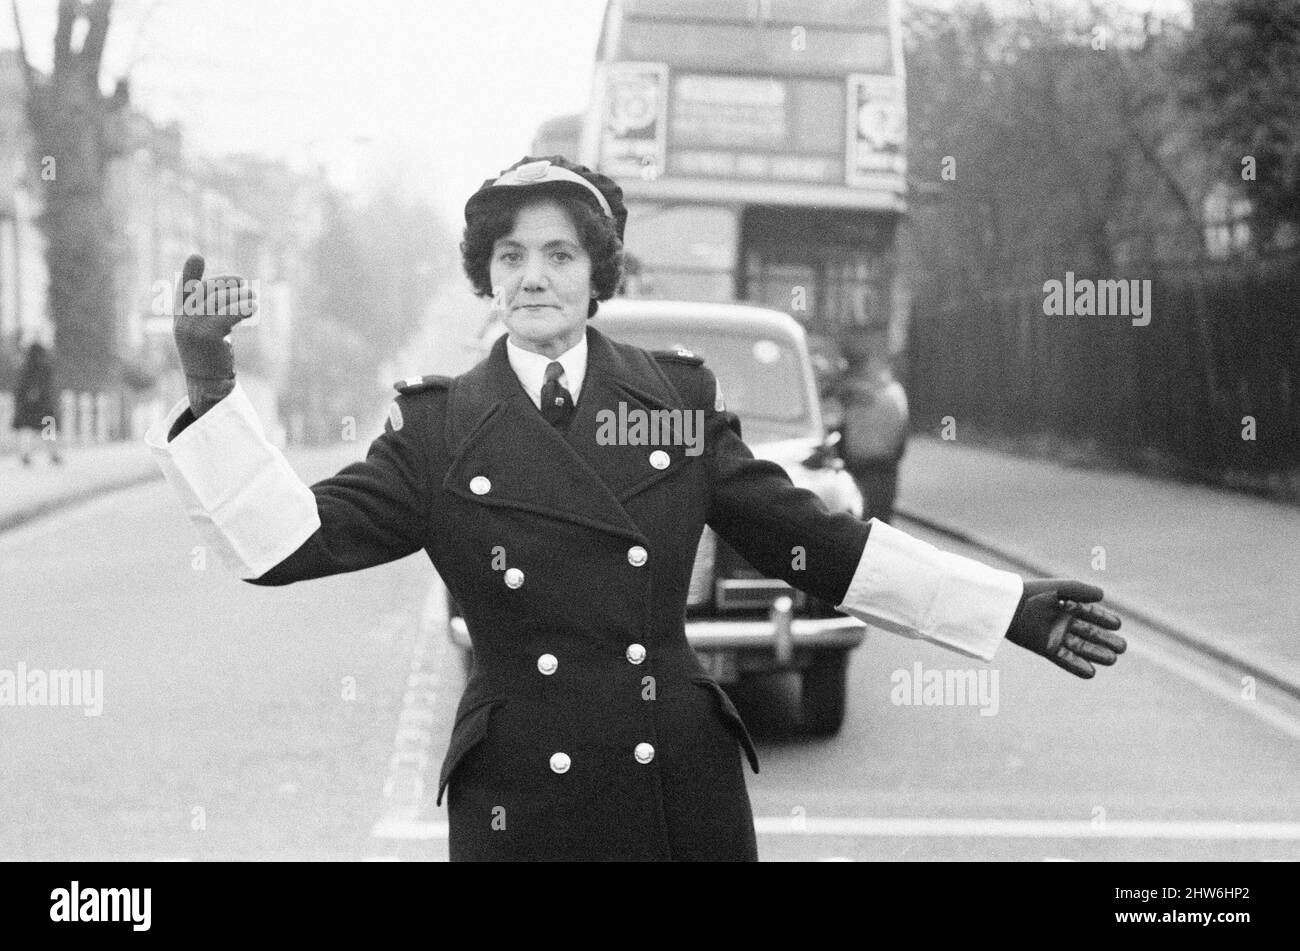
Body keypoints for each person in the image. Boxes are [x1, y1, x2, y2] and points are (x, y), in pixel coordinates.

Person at [145, 155, 1126, 862]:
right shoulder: (439, 431)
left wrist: (1007, 608)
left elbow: (813, 549)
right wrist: (208, 385)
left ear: (596, 274)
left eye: (562, 255)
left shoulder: (678, 404)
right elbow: (285, 545)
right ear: (487, 275)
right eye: (513, 255)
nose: (535, 275)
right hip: (517, 800)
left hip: (676, 789)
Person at [837, 337, 908, 523]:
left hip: (855, 472)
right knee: (882, 530)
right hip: (885, 474)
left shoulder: (847, 394)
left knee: (854, 528)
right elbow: (901, 443)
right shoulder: (896, 395)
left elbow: (839, 435)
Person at [11, 341, 62, 466]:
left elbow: (19, 388)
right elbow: (49, 387)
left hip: (27, 406)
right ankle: (53, 454)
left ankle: (25, 454)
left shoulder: (25, 367)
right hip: (44, 405)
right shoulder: (45, 367)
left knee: (26, 430)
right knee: (48, 431)